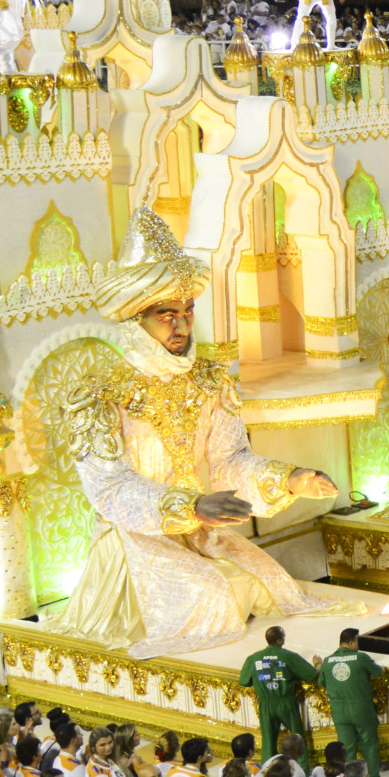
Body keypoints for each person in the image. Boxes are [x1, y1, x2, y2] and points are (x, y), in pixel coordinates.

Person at [42, 212, 341, 657]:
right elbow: (110, 488)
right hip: (135, 538)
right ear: (134, 321)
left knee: (261, 580)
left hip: (195, 528)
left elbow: (229, 460)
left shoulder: (208, 380)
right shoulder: (97, 394)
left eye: (187, 313)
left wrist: (289, 478)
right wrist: (193, 504)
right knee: (213, 596)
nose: (182, 327)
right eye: (167, 316)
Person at [317, 627, 387, 777]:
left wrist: (319, 665)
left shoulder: (328, 661)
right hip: (362, 710)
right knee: (369, 745)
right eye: (357, 641)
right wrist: (383, 669)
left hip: (340, 713)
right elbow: (378, 672)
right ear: (351, 642)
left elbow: (320, 682)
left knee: (347, 750)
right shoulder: (360, 658)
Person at [240, 626, 320, 766]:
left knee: (268, 743)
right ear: (279, 640)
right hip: (286, 702)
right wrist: (318, 664)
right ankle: (303, 776)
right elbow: (311, 675)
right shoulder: (289, 656)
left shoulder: (253, 658)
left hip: (266, 704)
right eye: (283, 636)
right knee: (297, 739)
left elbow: (243, 681)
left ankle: (268, 776)